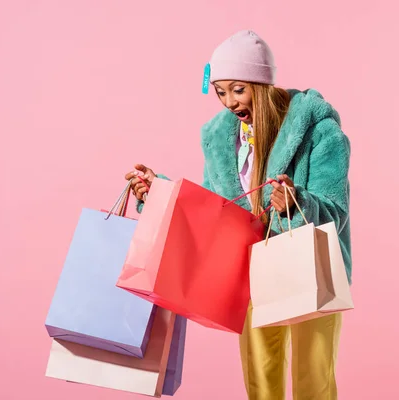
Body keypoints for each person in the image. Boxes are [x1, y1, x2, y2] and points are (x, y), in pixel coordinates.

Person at [125, 30, 351, 400]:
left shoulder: (320, 133)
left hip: (311, 265)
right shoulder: (221, 140)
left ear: (261, 84)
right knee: (261, 380)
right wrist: (158, 192)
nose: (229, 102)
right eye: (220, 92)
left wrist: (297, 202)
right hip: (253, 271)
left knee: (314, 377)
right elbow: (213, 210)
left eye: (238, 90)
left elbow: (334, 211)